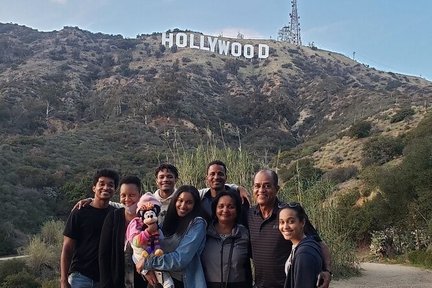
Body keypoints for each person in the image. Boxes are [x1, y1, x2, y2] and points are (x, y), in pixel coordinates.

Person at [248, 169, 331, 288]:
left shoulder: (289, 215)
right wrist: (236, 188)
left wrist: (327, 271)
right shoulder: (249, 215)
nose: (261, 190)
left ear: (277, 189)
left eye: (267, 186)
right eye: (257, 186)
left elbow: (319, 243)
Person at [136, 185, 208, 288]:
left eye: (189, 202)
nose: (183, 206)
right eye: (180, 200)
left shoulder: (197, 224)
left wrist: (149, 262)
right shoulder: (167, 220)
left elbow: (180, 259)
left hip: (183, 282)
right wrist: (146, 269)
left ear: (195, 205)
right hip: (160, 280)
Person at [61, 168, 120, 288]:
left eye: (110, 185)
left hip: (106, 279)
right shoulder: (79, 212)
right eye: (101, 184)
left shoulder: (116, 215)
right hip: (80, 277)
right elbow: (67, 248)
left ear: (115, 190)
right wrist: (63, 280)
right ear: (94, 188)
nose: (106, 188)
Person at [98, 175, 147, 288]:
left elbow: (154, 246)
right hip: (116, 282)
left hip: (142, 282)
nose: (127, 199)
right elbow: (103, 254)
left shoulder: (147, 219)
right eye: (123, 195)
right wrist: (106, 284)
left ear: (140, 195)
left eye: (132, 195)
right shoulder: (113, 217)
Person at [201, 191, 252, 288]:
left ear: (237, 210)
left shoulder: (245, 234)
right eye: (221, 206)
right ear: (215, 209)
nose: (225, 210)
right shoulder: (204, 233)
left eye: (231, 206)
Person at [279, 202, 323, 288]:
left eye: (291, 221)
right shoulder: (306, 244)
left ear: (302, 222)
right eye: (282, 222)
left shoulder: (304, 254)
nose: (285, 226)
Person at [200, 160, 250, 225]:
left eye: (220, 174)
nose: (216, 177)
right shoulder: (201, 200)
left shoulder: (240, 198)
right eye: (212, 174)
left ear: (226, 177)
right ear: (207, 178)